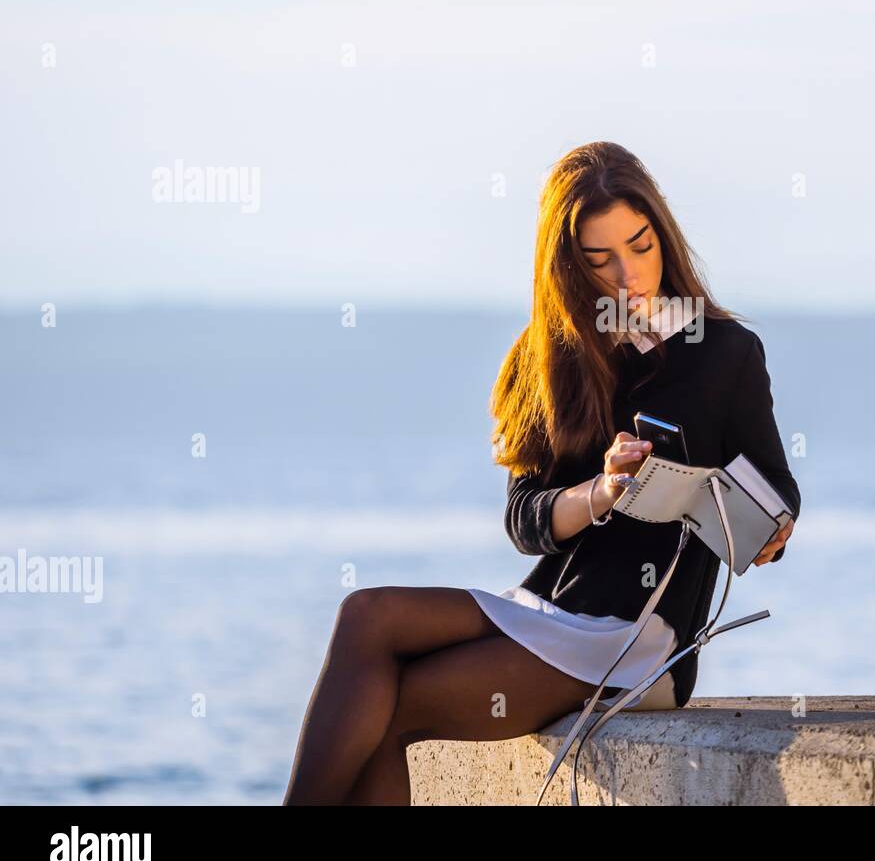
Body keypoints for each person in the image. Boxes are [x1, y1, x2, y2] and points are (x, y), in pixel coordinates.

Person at [282, 141, 800, 805]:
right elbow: (524, 516)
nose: (628, 272)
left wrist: (769, 531)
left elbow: (776, 487)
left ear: (662, 233)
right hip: (550, 609)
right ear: (569, 266)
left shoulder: (725, 352)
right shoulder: (548, 355)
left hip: (642, 637)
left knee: (397, 705)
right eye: (600, 258)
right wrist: (602, 491)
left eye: (641, 245)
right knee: (367, 614)